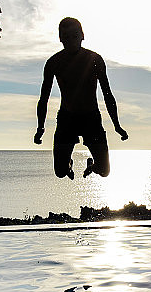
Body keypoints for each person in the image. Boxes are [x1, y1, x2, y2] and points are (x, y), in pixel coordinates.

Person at [34, 17, 128, 178]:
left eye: (74, 36)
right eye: (66, 37)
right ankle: (68, 164)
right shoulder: (54, 62)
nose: (70, 41)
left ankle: (91, 164)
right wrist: (40, 128)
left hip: (91, 117)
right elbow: (44, 98)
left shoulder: (95, 60)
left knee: (104, 171)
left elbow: (107, 94)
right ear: (60, 39)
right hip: (67, 118)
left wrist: (117, 126)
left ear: (82, 36)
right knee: (60, 172)